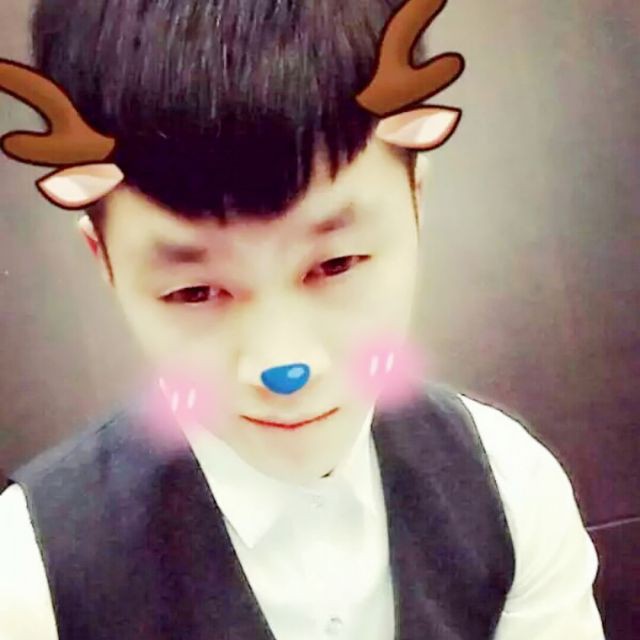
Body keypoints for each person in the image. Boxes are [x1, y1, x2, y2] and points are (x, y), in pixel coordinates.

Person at [0, 1, 605, 638]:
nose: (282, 365)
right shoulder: (27, 578)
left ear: (416, 202)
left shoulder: (511, 486)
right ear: (105, 262)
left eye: (336, 263)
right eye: (194, 291)